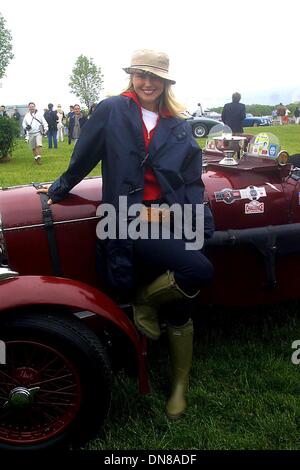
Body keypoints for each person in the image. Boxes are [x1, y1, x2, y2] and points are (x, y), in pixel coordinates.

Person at [37, 48, 214, 419]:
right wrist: (58, 188)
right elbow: (84, 155)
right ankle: (145, 305)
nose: (147, 82)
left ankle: (178, 381)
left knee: (186, 291)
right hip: (126, 219)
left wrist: (197, 219)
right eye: (140, 74)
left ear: (165, 82)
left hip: (172, 216)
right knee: (198, 270)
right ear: (132, 76)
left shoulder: (178, 124)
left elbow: (192, 179)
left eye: (155, 77)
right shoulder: (112, 109)